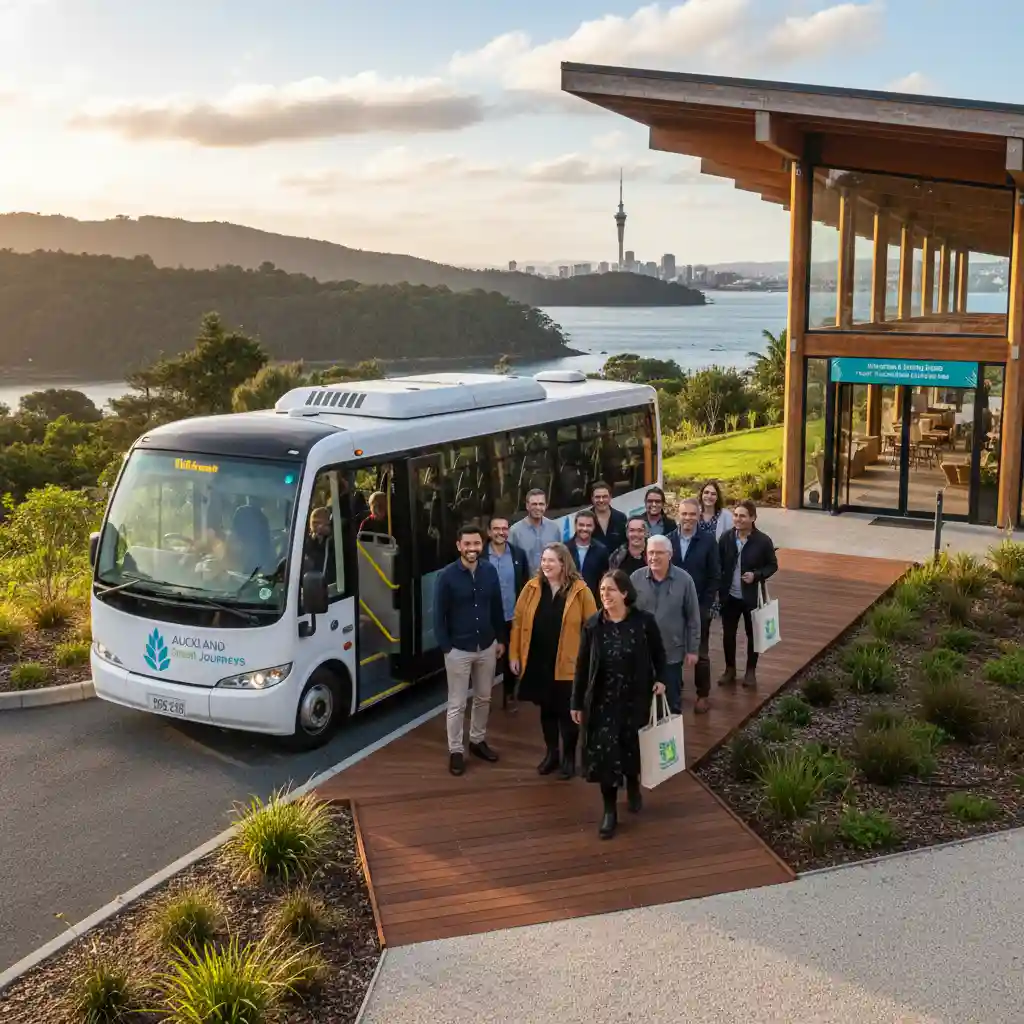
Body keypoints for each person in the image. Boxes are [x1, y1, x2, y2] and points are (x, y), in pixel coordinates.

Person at [571, 570, 667, 840]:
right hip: (602, 703)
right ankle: (609, 811)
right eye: (602, 590)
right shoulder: (593, 626)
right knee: (606, 756)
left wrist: (661, 679)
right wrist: (576, 702)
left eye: (611, 590)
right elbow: (581, 667)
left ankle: (634, 783)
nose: (605, 595)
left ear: (624, 593)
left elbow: (660, 655)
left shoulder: (643, 622)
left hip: (634, 700)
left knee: (631, 749)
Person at [510, 543, 597, 779]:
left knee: (568, 713)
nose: (545, 564)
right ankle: (552, 754)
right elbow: (518, 622)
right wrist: (514, 655)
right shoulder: (531, 587)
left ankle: (569, 758)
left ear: (563, 564)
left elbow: (593, 628)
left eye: (551, 560)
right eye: (543, 560)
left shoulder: (581, 591)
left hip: (569, 664)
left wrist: (590, 661)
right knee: (546, 710)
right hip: (539, 659)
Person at [434, 524, 508, 776]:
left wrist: (500, 639)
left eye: (476, 544)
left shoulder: (489, 571)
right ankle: (456, 750)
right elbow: (438, 616)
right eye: (467, 544)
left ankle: (477, 741)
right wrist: (447, 648)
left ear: (482, 544)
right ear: (459, 546)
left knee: (484, 697)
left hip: (486, 645)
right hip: (458, 649)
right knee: (456, 704)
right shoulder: (446, 576)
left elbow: (497, 607)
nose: (472, 549)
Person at [630, 535, 700, 717]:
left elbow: (693, 617)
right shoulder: (635, 578)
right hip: (641, 654)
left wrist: (692, 649)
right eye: (650, 552)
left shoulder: (685, 580)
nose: (654, 557)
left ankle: (671, 743)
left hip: (671, 652)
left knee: (671, 702)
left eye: (659, 552)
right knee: (642, 704)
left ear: (670, 555)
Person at [667, 498, 721, 713]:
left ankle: (702, 694)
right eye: (684, 514)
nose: (688, 518)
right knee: (674, 649)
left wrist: (705, 606)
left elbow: (715, 575)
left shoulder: (708, 541)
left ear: (699, 515)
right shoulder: (669, 540)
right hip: (673, 607)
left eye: (692, 514)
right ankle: (676, 687)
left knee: (701, 652)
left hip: (699, 607)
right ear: (678, 514)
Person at [718, 499, 778, 690]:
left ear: (752, 518)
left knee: (753, 634)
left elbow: (773, 565)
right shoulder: (726, 538)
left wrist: (757, 575)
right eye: (735, 515)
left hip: (751, 597)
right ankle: (730, 669)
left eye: (742, 516)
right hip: (730, 596)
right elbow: (719, 564)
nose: (738, 519)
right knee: (728, 634)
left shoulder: (763, 541)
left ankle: (750, 671)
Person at [484, 515, 530, 711]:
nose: (501, 532)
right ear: (488, 532)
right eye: (496, 529)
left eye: (504, 528)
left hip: (512, 616)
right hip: (487, 618)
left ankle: (510, 696)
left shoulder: (518, 554)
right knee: (486, 660)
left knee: (512, 657)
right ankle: (483, 698)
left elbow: (526, 585)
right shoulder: (480, 557)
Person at [508, 488, 562, 574]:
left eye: (541, 504)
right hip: (525, 584)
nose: (538, 507)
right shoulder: (515, 531)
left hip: (549, 582)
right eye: (534, 504)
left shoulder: (554, 529)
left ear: (546, 506)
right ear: (527, 506)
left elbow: (560, 557)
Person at [566, 508, 610, 600]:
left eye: (589, 525)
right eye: (581, 525)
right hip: (567, 600)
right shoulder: (564, 549)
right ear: (575, 525)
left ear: (594, 527)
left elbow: (604, 578)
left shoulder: (601, 550)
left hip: (592, 601)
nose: (584, 529)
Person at [589, 480, 627, 554]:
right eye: (597, 497)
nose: (601, 500)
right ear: (592, 498)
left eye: (604, 497)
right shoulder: (585, 519)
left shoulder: (621, 518)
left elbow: (625, 544)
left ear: (610, 497)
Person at [302, 506, 335, 579]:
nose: (316, 526)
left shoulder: (334, 543)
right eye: (314, 523)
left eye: (319, 522)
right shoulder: (305, 543)